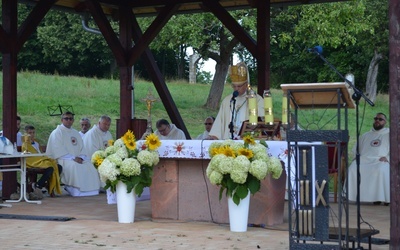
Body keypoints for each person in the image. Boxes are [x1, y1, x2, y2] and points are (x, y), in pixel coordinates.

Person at [46, 111, 100, 197]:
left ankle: (92, 190)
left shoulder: (75, 133)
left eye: (70, 119)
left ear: (73, 120)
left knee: (90, 165)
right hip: (63, 159)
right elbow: (58, 150)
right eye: (66, 118)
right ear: (61, 120)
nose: (68, 120)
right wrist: (73, 158)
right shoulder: (57, 133)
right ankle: (74, 188)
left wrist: (81, 157)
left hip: (77, 159)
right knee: (74, 166)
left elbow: (82, 148)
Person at [208, 62, 264, 140]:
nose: (236, 89)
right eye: (234, 86)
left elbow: (262, 122)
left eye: (239, 86)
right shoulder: (227, 100)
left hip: (248, 141)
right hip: (228, 142)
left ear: (246, 84)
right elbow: (219, 123)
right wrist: (214, 136)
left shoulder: (256, 99)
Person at [347, 112, 390, 205]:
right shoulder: (366, 135)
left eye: (380, 119)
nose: (377, 121)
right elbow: (356, 149)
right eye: (376, 119)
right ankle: (356, 197)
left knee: (381, 170)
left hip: (380, 160)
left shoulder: (389, 134)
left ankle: (382, 198)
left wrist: (388, 157)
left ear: (385, 122)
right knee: (353, 168)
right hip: (364, 160)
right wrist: (356, 157)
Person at [22, 125, 63, 198]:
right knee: (50, 168)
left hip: (41, 160)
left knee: (58, 167)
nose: (31, 135)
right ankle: (39, 186)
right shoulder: (25, 144)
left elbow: (41, 153)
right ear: (25, 133)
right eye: (29, 133)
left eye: (33, 133)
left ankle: (49, 185)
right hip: (33, 162)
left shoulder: (36, 143)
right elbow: (29, 157)